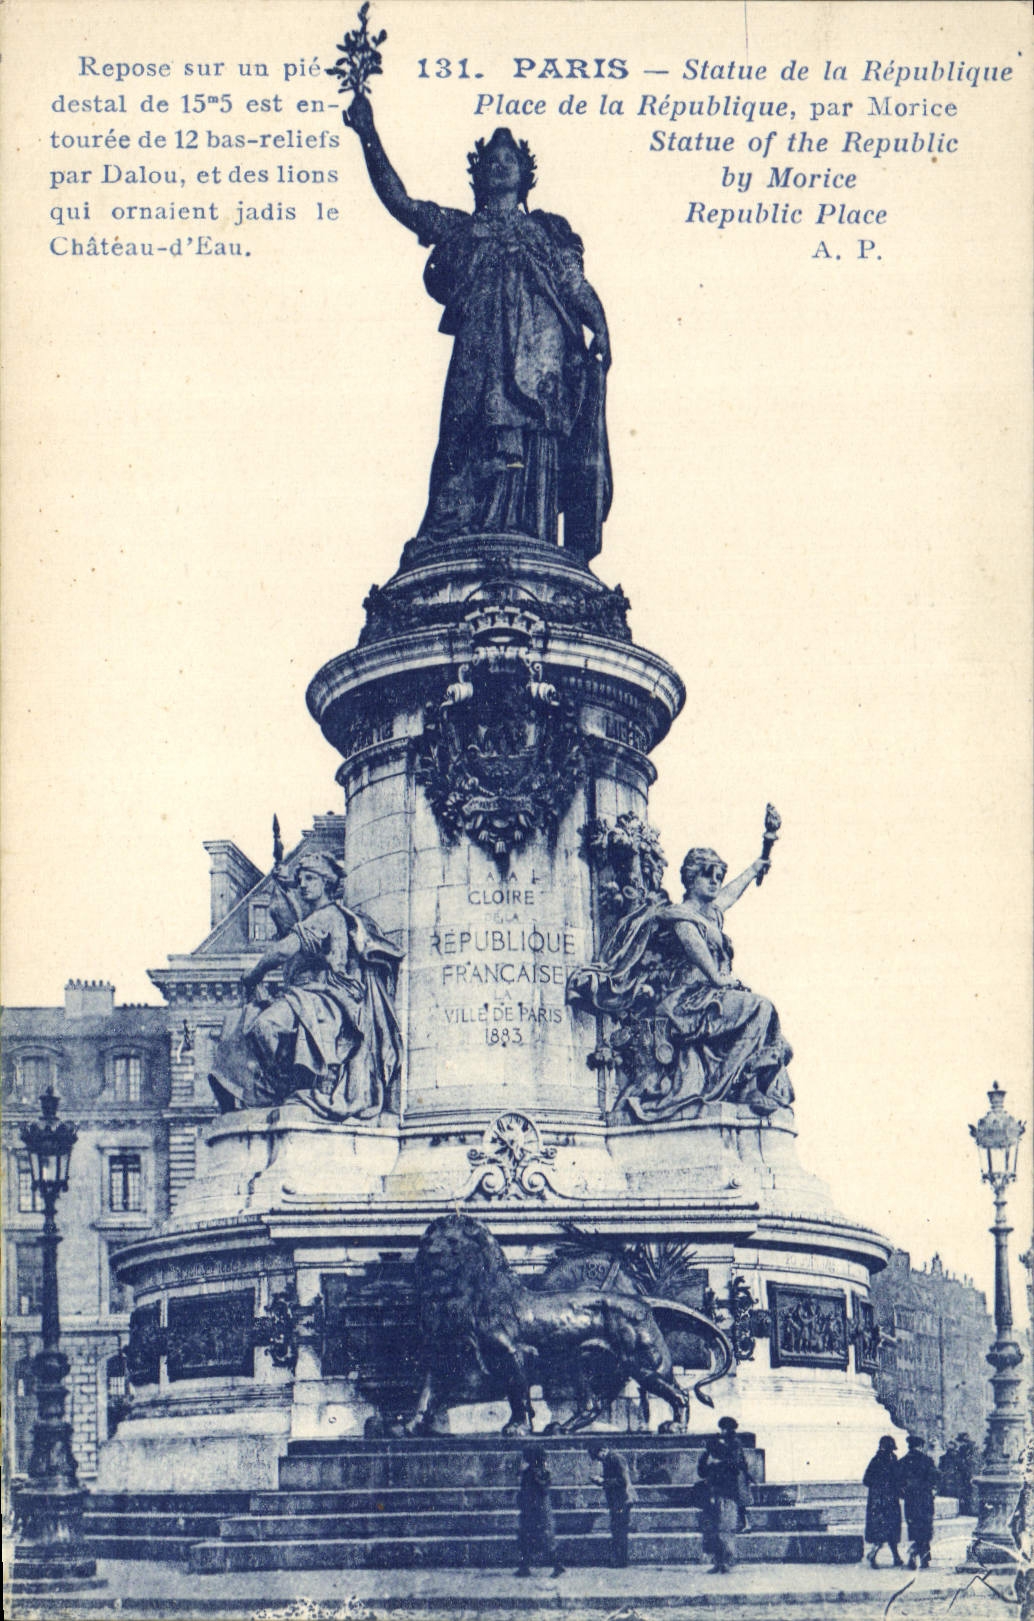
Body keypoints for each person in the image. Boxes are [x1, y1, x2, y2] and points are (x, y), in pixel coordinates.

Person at [344, 95, 612, 562]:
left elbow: (573, 283)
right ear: (479, 173)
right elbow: (401, 202)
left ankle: (532, 537)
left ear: (525, 173)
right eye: (492, 159)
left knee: (534, 440)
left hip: (540, 363)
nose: (501, 165)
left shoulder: (548, 231)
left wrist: (600, 322)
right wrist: (369, 135)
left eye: (510, 159)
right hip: (479, 356)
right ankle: (455, 532)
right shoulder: (461, 229)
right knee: (464, 435)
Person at [568, 847, 793, 1120]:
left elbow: (730, 894)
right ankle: (728, 1085)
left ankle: (749, 1086)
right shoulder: (680, 915)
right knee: (761, 1008)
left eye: (718, 876)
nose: (714, 881)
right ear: (690, 878)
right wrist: (718, 978)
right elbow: (693, 946)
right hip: (684, 1002)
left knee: (766, 1016)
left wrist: (756, 867)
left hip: (707, 996)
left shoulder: (710, 914)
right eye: (707, 875)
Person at [208, 853, 403, 1121]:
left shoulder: (327, 916)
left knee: (267, 1025)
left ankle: (290, 1087)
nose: (303, 885)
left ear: (326, 883)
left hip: (326, 996)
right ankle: (282, 1088)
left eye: (310, 879)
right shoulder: (316, 916)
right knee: (241, 1023)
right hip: (304, 995)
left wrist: (253, 975)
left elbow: (282, 951)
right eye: (301, 880)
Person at [697, 1416, 752, 1574]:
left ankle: (726, 1562)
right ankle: (718, 1562)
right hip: (714, 1494)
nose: (723, 1432)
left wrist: (718, 1463)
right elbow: (702, 1471)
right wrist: (708, 1455)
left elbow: (736, 1469)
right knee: (713, 1530)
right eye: (722, 1428)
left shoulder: (735, 1446)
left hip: (728, 1494)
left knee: (725, 1528)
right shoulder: (715, 1449)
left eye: (725, 1429)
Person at [515, 1444, 565, 1578]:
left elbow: (527, 1492)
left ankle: (555, 1565)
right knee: (539, 1540)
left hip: (533, 1511)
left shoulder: (530, 1473)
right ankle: (526, 1567)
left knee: (530, 1539)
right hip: (541, 1511)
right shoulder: (544, 1472)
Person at [588, 1443, 637, 1567]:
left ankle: (621, 1561)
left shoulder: (616, 1458)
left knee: (620, 1531)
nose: (598, 1460)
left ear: (603, 1450)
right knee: (617, 1530)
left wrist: (603, 1481)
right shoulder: (609, 1459)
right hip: (616, 1500)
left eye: (598, 1456)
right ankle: (619, 1560)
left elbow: (623, 1480)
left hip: (622, 1499)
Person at [897, 1434, 939, 1569]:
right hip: (925, 1499)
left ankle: (921, 1556)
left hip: (911, 1500)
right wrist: (933, 1490)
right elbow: (936, 1477)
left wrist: (903, 1493)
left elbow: (897, 1481)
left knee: (914, 1528)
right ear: (920, 1446)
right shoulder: (926, 1460)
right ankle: (919, 1555)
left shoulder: (903, 1461)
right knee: (926, 1528)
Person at [863, 1436, 904, 1568]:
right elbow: (867, 1479)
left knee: (884, 1530)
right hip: (885, 1500)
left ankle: (893, 1556)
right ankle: (881, 1556)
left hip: (883, 1500)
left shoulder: (880, 1460)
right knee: (887, 1530)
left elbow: (867, 1480)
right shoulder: (885, 1460)